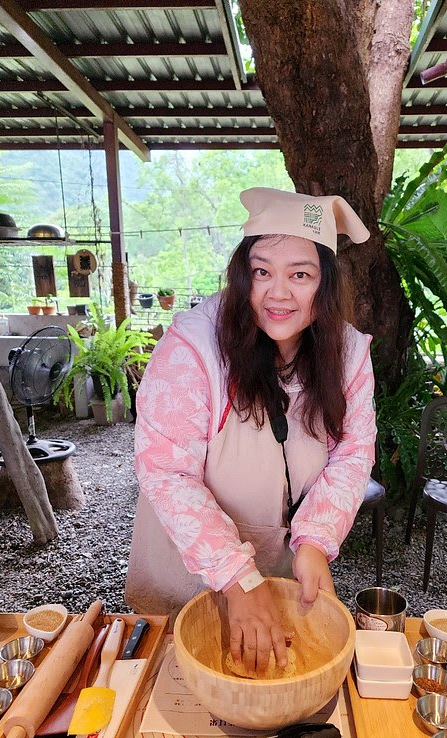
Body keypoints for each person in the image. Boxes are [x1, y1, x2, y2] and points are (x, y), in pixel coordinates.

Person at [126, 187, 377, 674]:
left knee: (269, 670)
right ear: (243, 277)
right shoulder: (193, 348)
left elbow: (352, 451)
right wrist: (238, 577)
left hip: (277, 562)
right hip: (186, 565)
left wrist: (315, 540)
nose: (277, 294)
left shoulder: (346, 355)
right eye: (262, 272)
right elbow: (167, 471)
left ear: (325, 284)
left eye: (300, 275)